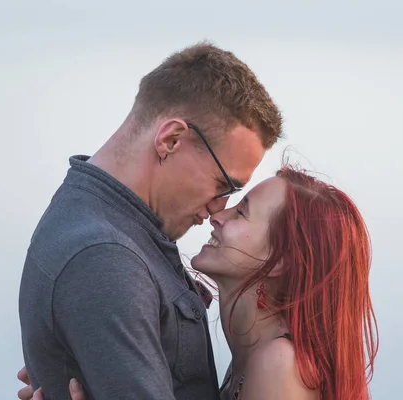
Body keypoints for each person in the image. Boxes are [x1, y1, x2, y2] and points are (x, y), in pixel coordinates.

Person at [18, 42, 283, 400]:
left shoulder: (117, 231)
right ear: (171, 139)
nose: (219, 208)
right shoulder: (105, 257)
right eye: (223, 184)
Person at [19, 166, 379, 400]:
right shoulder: (250, 359)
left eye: (241, 212)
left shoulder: (279, 366)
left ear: (281, 262)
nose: (216, 216)